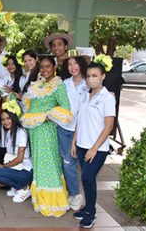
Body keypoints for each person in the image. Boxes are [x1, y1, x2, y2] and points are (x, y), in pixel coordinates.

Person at [21, 56, 73, 217]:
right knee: (38, 163)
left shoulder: (58, 86)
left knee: (49, 163)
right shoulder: (38, 84)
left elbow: (66, 108)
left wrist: (46, 117)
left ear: (54, 67)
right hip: (35, 131)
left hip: (47, 130)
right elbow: (29, 104)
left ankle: (53, 202)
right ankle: (40, 199)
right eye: (42, 67)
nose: (45, 70)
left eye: (48, 66)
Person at [71, 62, 115, 229]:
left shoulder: (107, 98)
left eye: (95, 76)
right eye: (89, 76)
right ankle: (88, 208)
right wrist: (74, 141)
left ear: (103, 76)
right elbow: (79, 120)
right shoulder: (85, 95)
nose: (91, 79)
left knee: (87, 177)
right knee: (87, 180)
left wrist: (94, 148)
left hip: (98, 148)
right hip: (82, 145)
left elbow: (109, 126)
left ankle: (91, 213)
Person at [0, 102, 33, 203]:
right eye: (3, 119)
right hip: (15, 169)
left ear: (14, 118)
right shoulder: (9, 132)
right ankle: (16, 187)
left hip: (25, 172)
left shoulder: (20, 132)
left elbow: (20, 158)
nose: (5, 122)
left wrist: (4, 167)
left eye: (8, 118)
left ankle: (23, 188)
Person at [57, 56, 89, 211]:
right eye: (69, 64)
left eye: (75, 63)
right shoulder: (64, 84)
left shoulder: (88, 84)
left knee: (72, 164)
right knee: (67, 163)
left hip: (80, 130)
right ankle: (73, 193)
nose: (73, 67)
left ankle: (76, 194)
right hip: (63, 128)